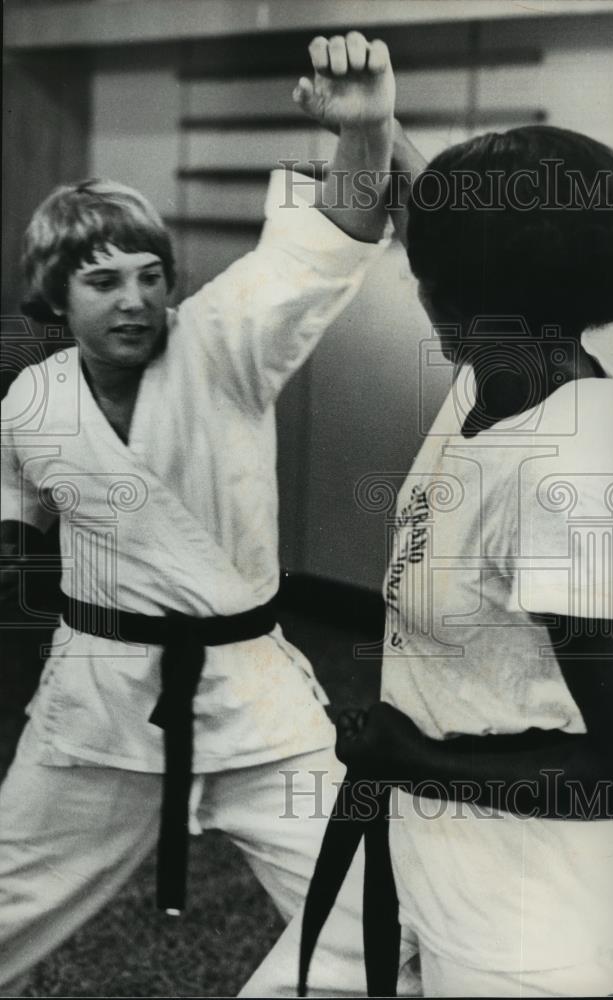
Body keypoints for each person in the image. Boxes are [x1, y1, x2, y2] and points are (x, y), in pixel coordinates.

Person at [0, 32, 420, 998]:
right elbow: (15, 527)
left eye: (151, 273)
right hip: (96, 711)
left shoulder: (221, 345)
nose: (137, 299)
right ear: (54, 298)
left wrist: (364, 135)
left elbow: (323, 247)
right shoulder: (27, 405)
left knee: (382, 917)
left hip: (252, 700)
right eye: (103, 281)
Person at [331, 126, 613, 996]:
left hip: (523, 915)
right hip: (423, 844)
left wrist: (410, 756)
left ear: (450, 299)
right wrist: (374, 122)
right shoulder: (501, 374)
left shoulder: (561, 471)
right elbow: (477, 220)